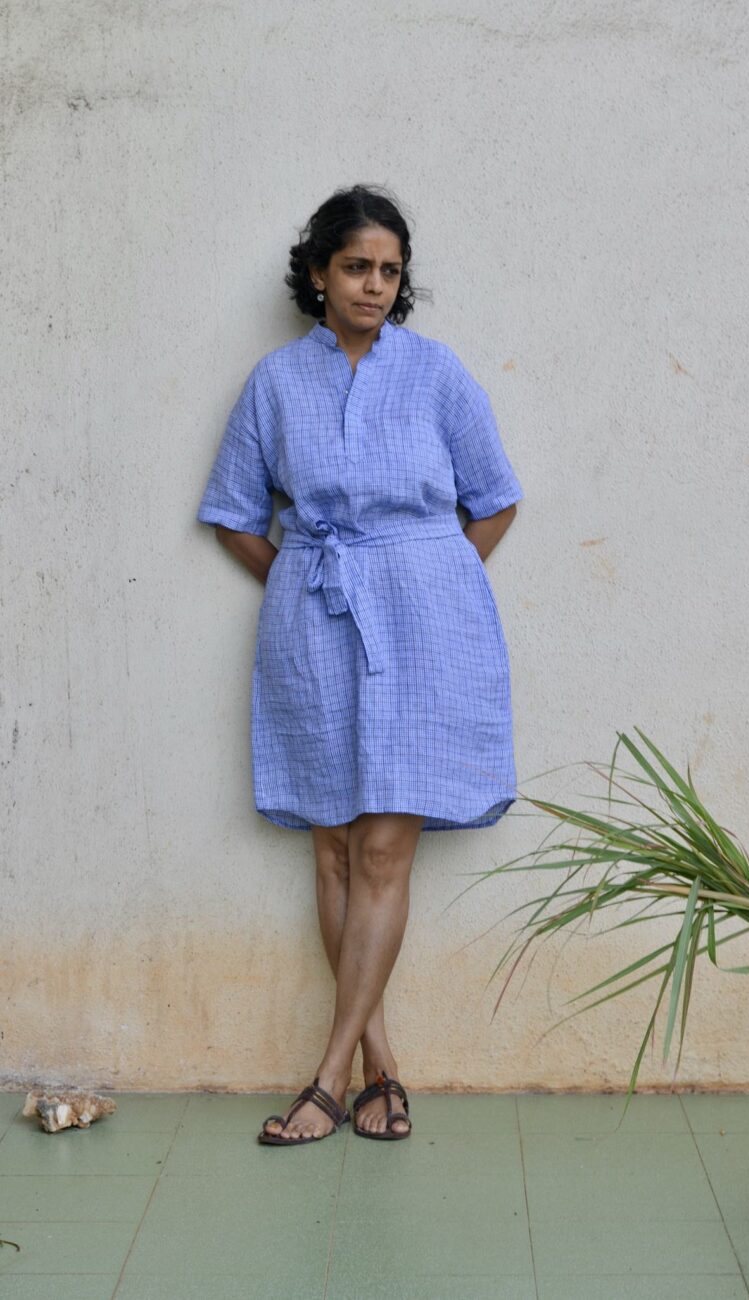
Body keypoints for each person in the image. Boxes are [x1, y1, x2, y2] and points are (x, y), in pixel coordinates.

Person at [197, 183, 523, 1145]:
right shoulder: (274, 383)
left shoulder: (438, 375)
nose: (374, 285)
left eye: (389, 270)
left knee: (384, 846)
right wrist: (300, 572)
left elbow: (495, 499)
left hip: (426, 628)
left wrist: (432, 582)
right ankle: (385, 1070)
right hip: (315, 622)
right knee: (334, 848)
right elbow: (230, 513)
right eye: (356, 267)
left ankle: (328, 1076)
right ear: (317, 274)